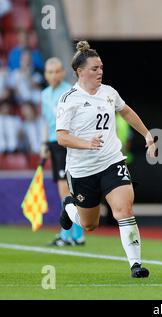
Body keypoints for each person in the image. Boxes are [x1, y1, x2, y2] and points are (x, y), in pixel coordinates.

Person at [56, 41, 156, 278]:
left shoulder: (109, 93)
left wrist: (147, 134)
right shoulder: (69, 99)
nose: (100, 72)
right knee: (90, 225)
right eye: (94, 68)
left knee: (124, 210)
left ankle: (135, 265)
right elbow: (61, 137)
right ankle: (69, 208)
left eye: (101, 67)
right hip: (82, 169)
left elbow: (126, 112)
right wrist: (86, 143)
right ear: (80, 72)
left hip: (112, 162)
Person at [41, 57, 85, 246]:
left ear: (63, 72)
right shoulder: (44, 95)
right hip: (54, 142)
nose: (53, 75)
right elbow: (46, 121)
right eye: (49, 72)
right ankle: (76, 234)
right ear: (45, 74)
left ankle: (69, 234)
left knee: (65, 189)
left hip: (66, 142)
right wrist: (44, 144)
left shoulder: (70, 91)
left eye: (56, 71)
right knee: (66, 190)